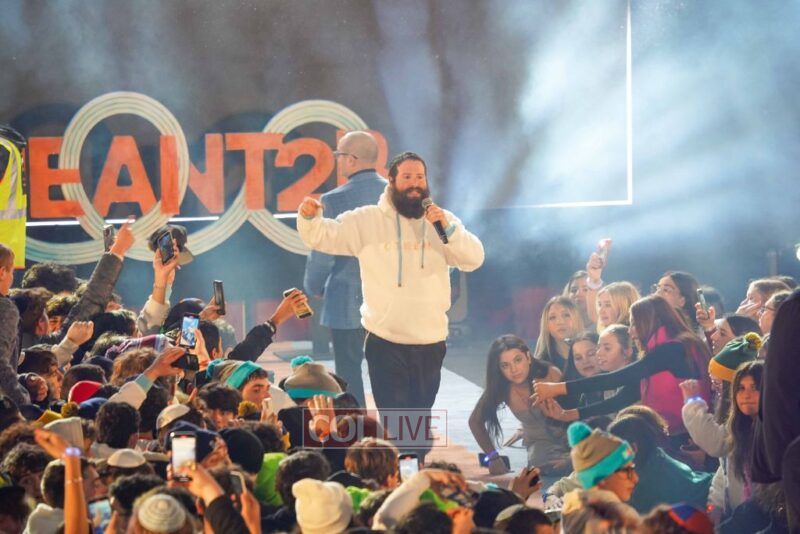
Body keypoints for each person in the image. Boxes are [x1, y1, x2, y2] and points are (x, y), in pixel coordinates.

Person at [297, 150, 484, 459]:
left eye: (420, 177)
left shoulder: (442, 220)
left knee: (419, 417)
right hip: (385, 338)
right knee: (397, 419)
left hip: (430, 339)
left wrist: (448, 230)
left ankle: (412, 465)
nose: (415, 184)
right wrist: (308, 218)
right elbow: (326, 236)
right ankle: (401, 469)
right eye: (407, 177)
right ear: (392, 181)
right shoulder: (368, 219)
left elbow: (473, 259)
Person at [534, 295, 712, 439]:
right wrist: (566, 415)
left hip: (688, 437)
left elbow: (613, 380)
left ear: (648, 322)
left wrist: (557, 388)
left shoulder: (672, 349)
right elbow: (620, 399)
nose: (630, 330)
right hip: (675, 434)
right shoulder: (663, 350)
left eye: (634, 324)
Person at [303, 131, 388, 409]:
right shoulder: (395, 196)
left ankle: (356, 427)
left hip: (346, 299)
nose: (337, 160)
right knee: (391, 371)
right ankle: (400, 430)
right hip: (390, 299)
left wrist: (313, 286)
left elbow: (323, 252)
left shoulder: (333, 199)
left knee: (349, 373)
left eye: (338, 155)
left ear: (351, 159)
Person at [468, 335, 569, 476]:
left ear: (528, 357)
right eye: (505, 365)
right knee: (543, 464)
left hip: (570, 435)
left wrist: (574, 455)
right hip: (540, 444)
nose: (514, 369)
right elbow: (474, 421)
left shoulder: (550, 374)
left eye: (518, 360)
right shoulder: (501, 387)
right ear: (499, 369)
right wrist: (493, 458)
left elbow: (578, 411)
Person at [533, 296, 584, 374]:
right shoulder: (542, 365)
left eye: (566, 315)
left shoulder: (594, 349)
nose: (560, 322)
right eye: (553, 317)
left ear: (577, 318)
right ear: (546, 325)